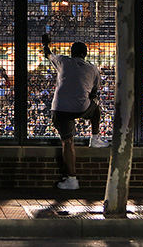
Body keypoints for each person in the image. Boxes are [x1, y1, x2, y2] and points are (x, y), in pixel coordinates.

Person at [41, 33, 108, 191]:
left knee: (67, 142)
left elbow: (48, 54)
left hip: (59, 109)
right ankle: (95, 138)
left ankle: (71, 179)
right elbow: (94, 94)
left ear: (71, 53)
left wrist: (46, 44)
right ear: (85, 54)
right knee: (96, 105)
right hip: (81, 108)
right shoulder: (93, 68)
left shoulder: (63, 61)